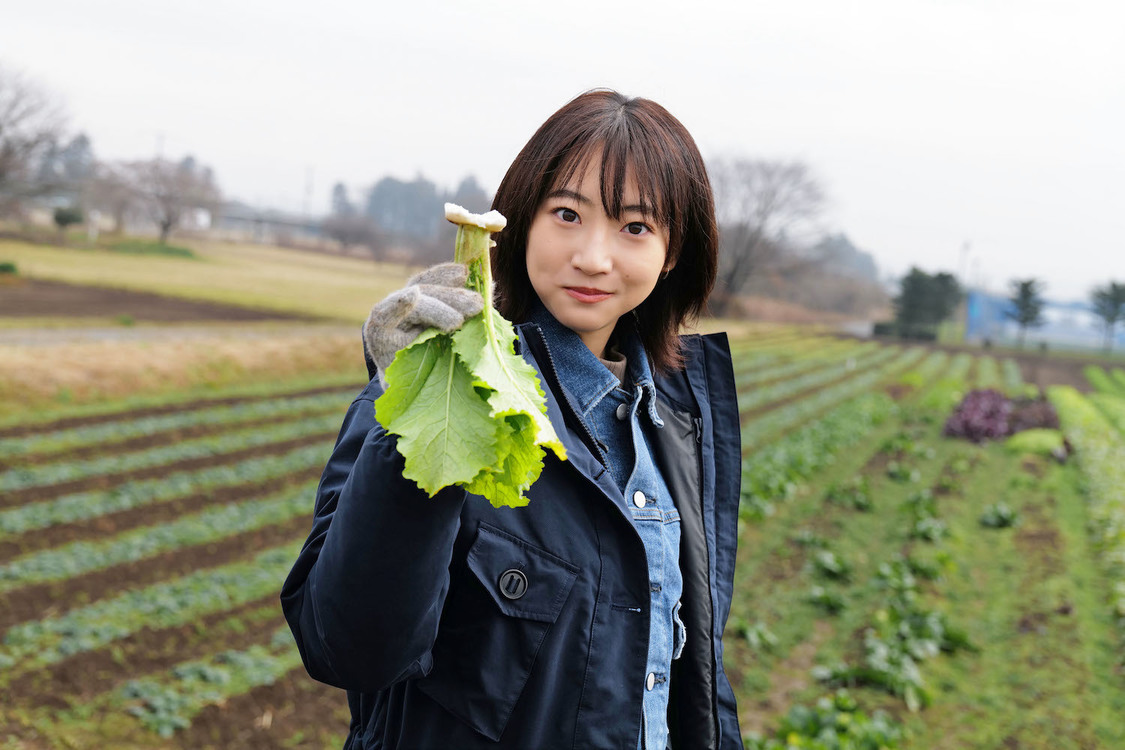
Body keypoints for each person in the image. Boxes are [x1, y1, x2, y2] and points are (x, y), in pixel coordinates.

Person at [281, 89, 743, 750]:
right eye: (567, 214)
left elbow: (681, 682)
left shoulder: (674, 417)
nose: (593, 256)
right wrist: (415, 415)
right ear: (520, 221)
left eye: (634, 227)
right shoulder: (445, 385)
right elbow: (349, 651)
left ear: (671, 252)